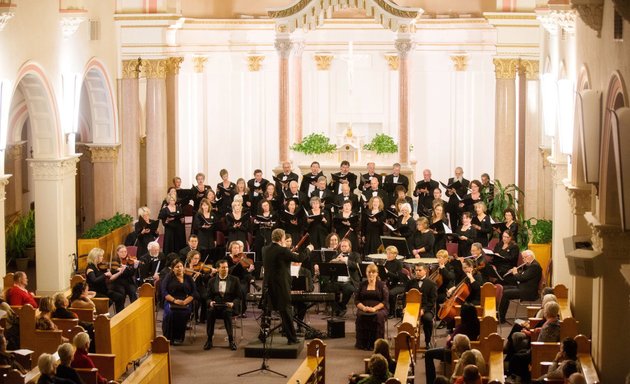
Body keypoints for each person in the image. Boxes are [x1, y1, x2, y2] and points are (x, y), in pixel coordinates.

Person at [261, 228, 312, 344]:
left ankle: (262, 334)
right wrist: (308, 249)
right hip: (281, 286)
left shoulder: (265, 249)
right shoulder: (283, 250)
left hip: (268, 285)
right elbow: (300, 258)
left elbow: (280, 259)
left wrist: (288, 254)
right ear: (281, 238)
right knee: (286, 312)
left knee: (267, 310)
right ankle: (291, 338)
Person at [425, 309, 480, 384]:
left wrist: (448, 339)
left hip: (454, 352)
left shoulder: (462, 327)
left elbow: (449, 344)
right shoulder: (477, 325)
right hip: (469, 349)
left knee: (428, 354)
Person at [204, 259, 240, 351]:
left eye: (227, 267)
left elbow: (239, 297)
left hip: (228, 306)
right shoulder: (211, 281)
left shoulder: (235, 280)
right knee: (210, 312)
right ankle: (209, 340)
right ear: (217, 269)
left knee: (227, 313)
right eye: (223, 267)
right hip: (216, 306)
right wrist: (210, 302)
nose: (226, 269)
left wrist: (233, 303)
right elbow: (207, 297)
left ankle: (231, 340)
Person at [498, 249, 542, 323]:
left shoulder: (534, 266)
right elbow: (523, 275)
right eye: (523, 258)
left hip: (529, 292)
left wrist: (515, 273)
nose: (523, 260)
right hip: (523, 287)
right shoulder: (529, 264)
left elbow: (521, 278)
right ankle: (500, 315)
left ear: (530, 256)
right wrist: (514, 272)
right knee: (503, 289)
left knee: (506, 293)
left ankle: (501, 318)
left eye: (525, 257)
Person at [161, 259, 197, 345]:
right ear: (173, 268)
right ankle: (169, 337)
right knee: (170, 313)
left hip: (186, 301)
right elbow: (164, 291)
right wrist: (174, 300)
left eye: (181, 266)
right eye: (177, 267)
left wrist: (185, 302)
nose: (179, 268)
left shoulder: (188, 278)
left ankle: (179, 337)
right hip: (171, 300)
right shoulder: (168, 277)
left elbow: (194, 292)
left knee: (183, 313)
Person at [355, 263, 388, 350]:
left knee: (378, 316)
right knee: (360, 315)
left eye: (373, 272)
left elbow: (384, 301)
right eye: (369, 272)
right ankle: (363, 344)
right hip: (364, 307)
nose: (371, 274)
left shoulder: (382, 285)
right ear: (366, 273)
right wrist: (363, 308)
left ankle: (377, 344)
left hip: (379, 308)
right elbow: (357, 300)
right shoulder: (362, 284)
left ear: (377, 273)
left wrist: (374, 309)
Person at [406, 263, 438, 348]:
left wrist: (423, 310)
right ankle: (409, 342)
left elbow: (432, 301)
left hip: (427, 309)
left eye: (419, 270)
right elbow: (405, 297)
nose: (417, 272)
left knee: (427, 319)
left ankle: (427, 341)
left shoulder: (431, 284)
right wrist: (404, 307)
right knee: (406, 319)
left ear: (425, 271)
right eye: (416, 270)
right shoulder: (410, 283)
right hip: (412, 308)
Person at [85, 248, 125, 313]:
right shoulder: (90, 268)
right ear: (96, 257)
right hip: (96, 292)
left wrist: (119, 271)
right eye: (101, 256)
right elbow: (94, 280)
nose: (102, 258)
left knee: (119, 297)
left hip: (104, 290)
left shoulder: (99, 266)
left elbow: (110, 277)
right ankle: (101, 314)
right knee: (109, 301)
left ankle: (119, 315)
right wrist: (105, 274)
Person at [328, 238, 361, 317]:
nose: (343, 248)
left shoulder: (355, 255)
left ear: (349, 247)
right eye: (342, 246)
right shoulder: (336, 255)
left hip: (349, 281)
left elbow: (358, 265)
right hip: (337, 281)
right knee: (327, 289)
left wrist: (346, 261)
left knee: (349, 289)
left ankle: (341, 306)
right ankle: (338, 308)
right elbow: (329, 268)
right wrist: (334, 262)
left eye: (345, 246)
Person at [382, 246, 407, 318]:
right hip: (391, 283)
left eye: (390, 254)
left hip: (400, 284)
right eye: (387, 254)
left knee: (391, 293)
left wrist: (387, 272)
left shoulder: (398, 263)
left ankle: (392, 312)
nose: (388, 255)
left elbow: (398, 277)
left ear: (395, 254)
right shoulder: (387, 262)